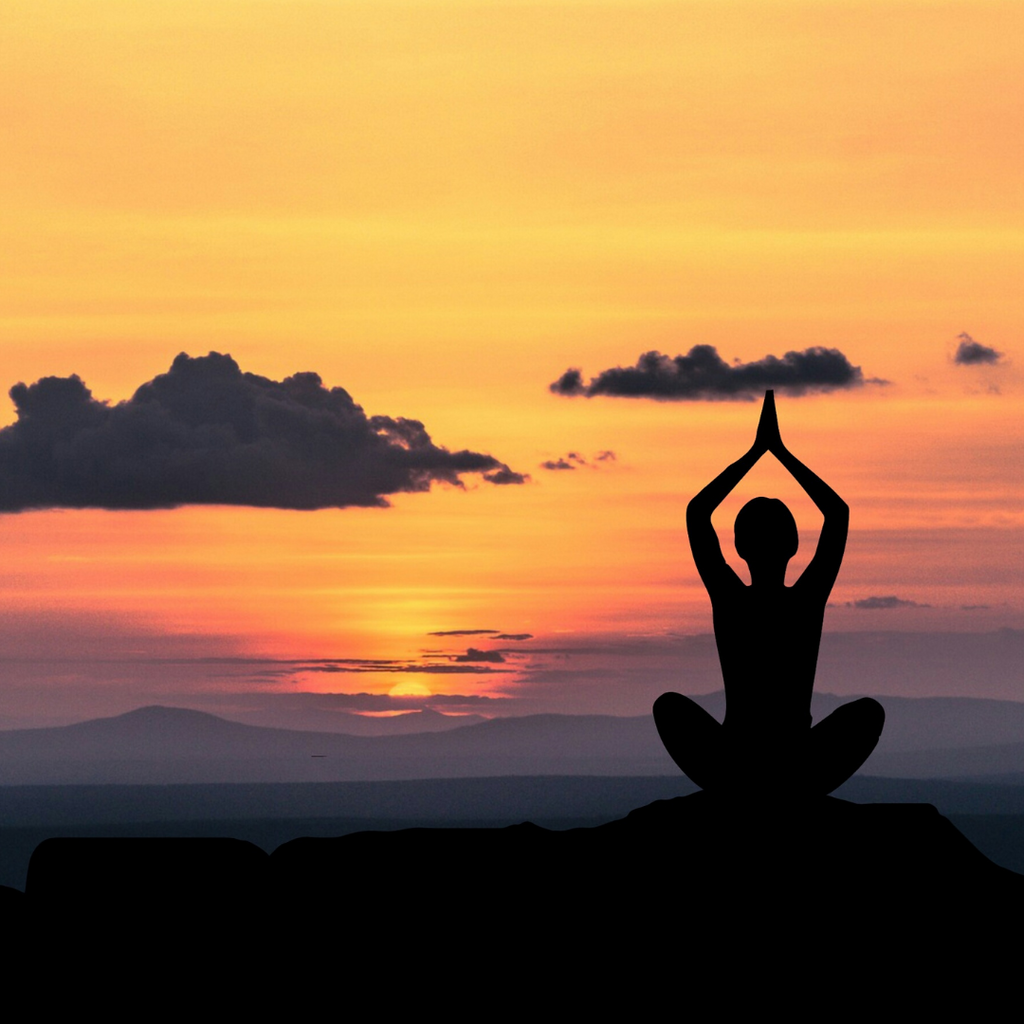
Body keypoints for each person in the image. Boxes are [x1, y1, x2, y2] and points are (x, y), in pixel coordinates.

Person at [654, 390, 884, 796]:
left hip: (738, 759)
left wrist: (757, 453)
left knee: (668, 708)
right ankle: (786, 790)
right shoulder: (805, 599)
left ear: (739, 547)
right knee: (868, 714)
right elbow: (837, 514)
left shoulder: (731, 597)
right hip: (794, 760)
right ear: (794, 545)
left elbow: (697, 512)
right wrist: (778, 452)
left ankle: (745, 789)